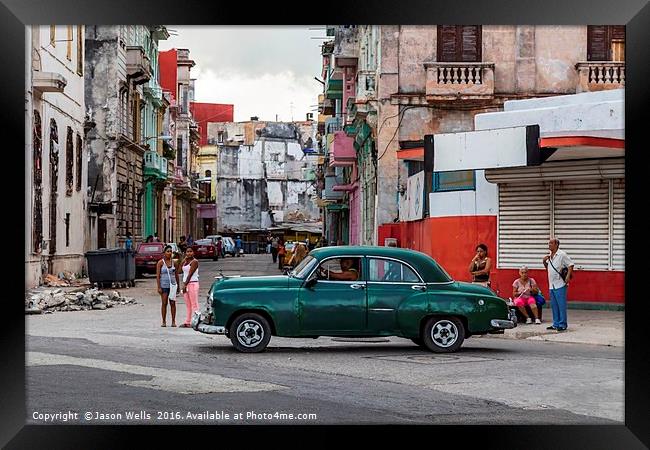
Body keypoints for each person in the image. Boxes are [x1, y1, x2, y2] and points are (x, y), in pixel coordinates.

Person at [543, 237, 574, 331]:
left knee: (561, 305)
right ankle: (555, 323)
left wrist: (568, 277)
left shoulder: (562, 254)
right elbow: (548, 268)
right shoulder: (550, 255)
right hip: (551, 284)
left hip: (560, 283)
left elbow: (571, 264)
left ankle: (563, 324)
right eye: (549, 243)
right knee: (554, 305)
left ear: (556, 244)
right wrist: (544, 261)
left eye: (551, 243)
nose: (549, 245)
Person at [156, 245, 179, 327]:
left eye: (171, 252)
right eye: (168, 251)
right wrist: (159, 287)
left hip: (172, 286)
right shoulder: (160, 263)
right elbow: (158, 276)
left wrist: (178, 286)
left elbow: (176, 275)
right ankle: (164, 321)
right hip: (164, 285)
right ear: (164, 253)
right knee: (164, 303)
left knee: (173, 303)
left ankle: (173, 321)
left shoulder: (174, 262)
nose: (169, 253)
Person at [179, 247, 200, 328]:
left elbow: (190, 274)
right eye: (187, 252)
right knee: (188, 304)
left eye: (191, 251)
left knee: (194, 303)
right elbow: (179, 271)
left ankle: (196, 321)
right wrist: (182, 261)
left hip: (193, 284)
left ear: (193, 253)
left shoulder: (195, 262)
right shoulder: (185, 262)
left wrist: (184, 285)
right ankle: (187, 322)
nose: (189, 253)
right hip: (186, 284)